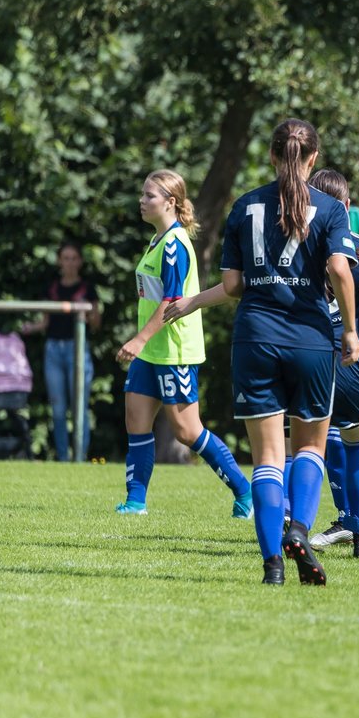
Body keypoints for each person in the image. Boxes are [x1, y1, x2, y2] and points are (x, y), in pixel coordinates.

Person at [216, 119, 359, 586]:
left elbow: (233, 284)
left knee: (265, 459)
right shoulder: (330, 208)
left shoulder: (244, 206)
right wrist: (352, 330)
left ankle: (272, 566)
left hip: (255, 337)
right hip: (311, 339)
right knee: (311, 449)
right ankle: (299, 527)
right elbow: (340, 269)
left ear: (272, 155)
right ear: (313, 159)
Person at [113, 170, 253, 520]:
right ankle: (135, 502)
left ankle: (244, 491)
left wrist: (138, 338)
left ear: (170, 202)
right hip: (152, 350)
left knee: (187, 431)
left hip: (173, 349)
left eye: (149, 196)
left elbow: (172, 301)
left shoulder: (174, 245)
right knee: (136, 419)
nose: (142, 201)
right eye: (142, 195)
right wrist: (144, 344)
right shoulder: (158, 240)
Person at [21, 241, 101, 461]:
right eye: (65, 258)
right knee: (57, 409)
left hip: (78, 349)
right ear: (59, 261)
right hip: (53, 350)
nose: (70, 262)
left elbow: (96, 323)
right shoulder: (52, 288)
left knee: (79, 408)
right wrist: (28, 328)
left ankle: (80, 458)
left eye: (73, 258)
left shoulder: (88, 289)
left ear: (80, 262)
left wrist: (88, 312)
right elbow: (45, 322)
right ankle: (63, 458)